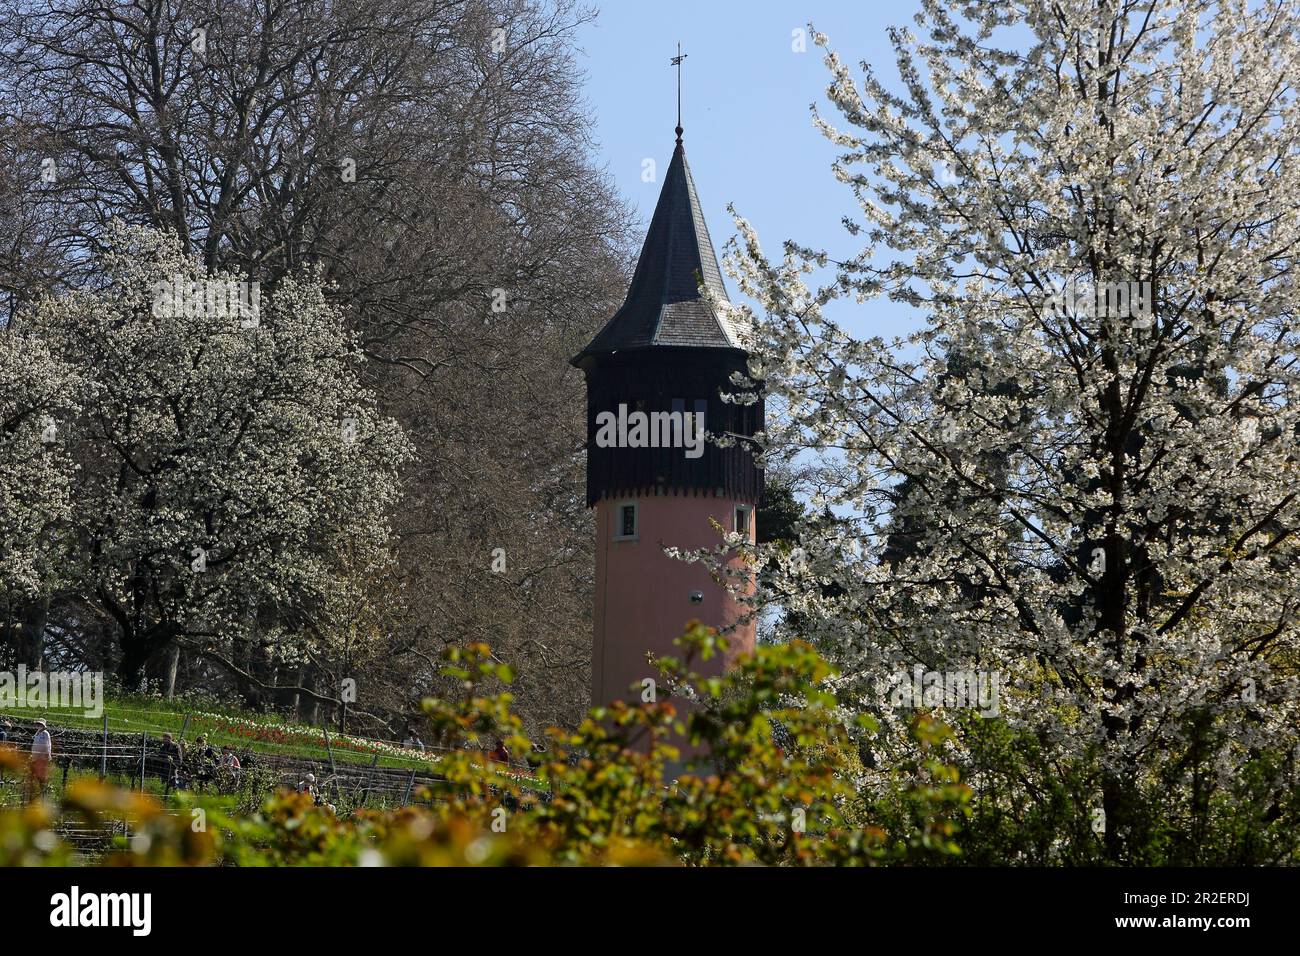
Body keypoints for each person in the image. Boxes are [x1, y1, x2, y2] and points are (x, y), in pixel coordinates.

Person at [27, 719, 52, 802]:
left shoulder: (45, 734)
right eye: (37, 724)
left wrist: (46, 756)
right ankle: (34, 793)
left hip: (41, 758)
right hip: (35, 757)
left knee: (40, 775)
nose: (38, 725)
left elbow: (47, 746)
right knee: (33, 774)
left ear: (43, 725)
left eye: (40, 724)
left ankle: (42, 793)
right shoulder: (37, 733)